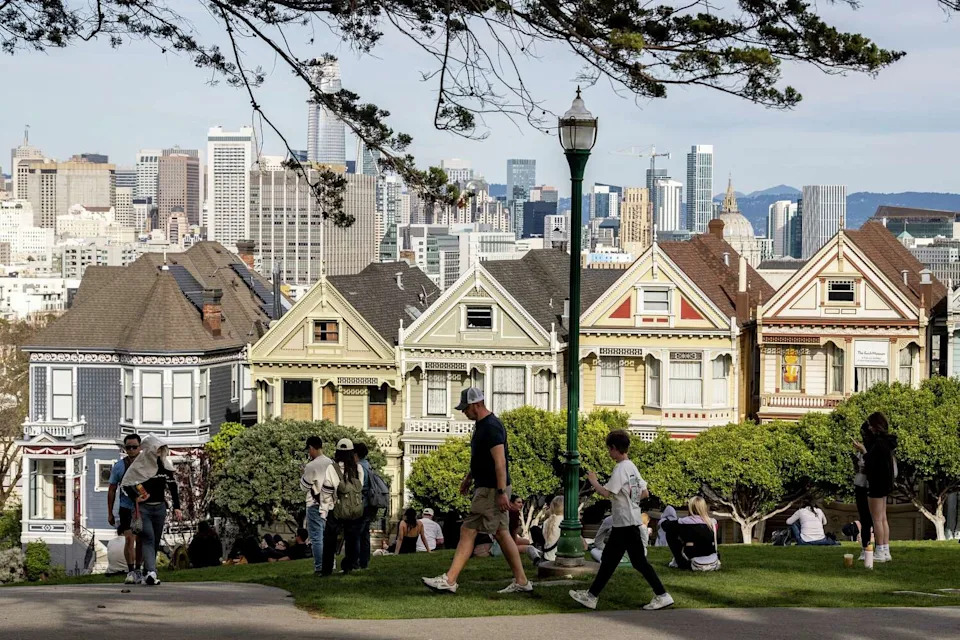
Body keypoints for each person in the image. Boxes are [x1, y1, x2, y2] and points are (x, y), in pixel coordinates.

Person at [423, 388, 532, 594]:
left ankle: (450, 580)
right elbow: (482, 459)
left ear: (476, 404)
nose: (464, 412)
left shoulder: (491, 427)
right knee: (501, 533)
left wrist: (500, 492)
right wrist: (469, 478)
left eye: (465, 408)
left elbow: (499, 462)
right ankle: (522, 581)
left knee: (468, 530)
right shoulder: (483, 425)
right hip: (489, 486)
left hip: (491, 489)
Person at [569, 430, 673, 611]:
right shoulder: (631, 466)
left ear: (615, 448)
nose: (609, 453)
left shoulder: (619, 469)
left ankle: (662, 595)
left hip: (623, 523)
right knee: (624, 561)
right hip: (631, 520)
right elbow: (645, 493)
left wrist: (593, 481)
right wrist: (630, 500)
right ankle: (592, 596)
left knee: (617, 561)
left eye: (609, 449)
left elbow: (606, 493)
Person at [120, 434, 182, 586]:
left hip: (160, 508)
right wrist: (136, 497)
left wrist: (177, 507)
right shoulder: (139, 467)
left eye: (161, 449)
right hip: (143, 509)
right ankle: (152, 572)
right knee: (148, 538)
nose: (159, 452)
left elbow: (173, 486)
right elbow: (126, 485)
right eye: (157, 449)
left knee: (155, 540)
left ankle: (149, 571)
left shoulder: (164, 466)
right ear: (148, 449)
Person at [320, 439, 366, 575]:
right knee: (352, 540)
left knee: (330, 541)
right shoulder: (359, 468)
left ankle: (327, 570)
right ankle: (348, 566)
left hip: (337, 509)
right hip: (355, 510)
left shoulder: (331, 468)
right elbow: (359, 488)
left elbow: (326, 492)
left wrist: (324, 510)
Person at [107, 434, 143, 584]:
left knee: (140, 540)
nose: (131, 450)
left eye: (134, 447)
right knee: (129, 539)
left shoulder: (145, 464)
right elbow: (111, 489)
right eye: (128, 447)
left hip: (142, 507)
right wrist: (110, 512)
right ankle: (130, 571)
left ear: (140, 448)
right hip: (125, 507)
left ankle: (138, 569)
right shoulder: (119, 466)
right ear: (125, 448)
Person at [863, 411, 897, 562]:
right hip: (885, 483)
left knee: (877, 519)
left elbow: (870, 463)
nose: (869, 428)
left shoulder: (878, 444)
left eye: (870, 425)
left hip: (876, 483)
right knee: (883, 518)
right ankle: (885, 550)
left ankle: (879, 551)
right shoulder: (887, 443)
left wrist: (863, 452)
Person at [300, 435, 333, 575]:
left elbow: (304, 486)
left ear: (312, 448)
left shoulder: (311, 465)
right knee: (328, 536)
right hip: (329, 504)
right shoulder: (331, 462)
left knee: (316, 537)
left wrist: (302, 474)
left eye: (309, 450)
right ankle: (331, 564)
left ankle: (319, 567)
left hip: (314, 504)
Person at [661, 497, 721, 570]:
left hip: (690, 562)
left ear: (690, 508)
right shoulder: (712, 523)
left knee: (670, 533)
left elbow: (665, 526)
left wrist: (664, 518)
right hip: (712, 560)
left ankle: (678, 560)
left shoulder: (683, 523)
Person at [851, 421, 874, 560]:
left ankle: (876, 549)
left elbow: (871, 465)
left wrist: (864, 452)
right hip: (860, 484)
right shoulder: (863, 449)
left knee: (874, 519)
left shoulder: (874, 448)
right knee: (865, 519)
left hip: (871, 486)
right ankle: (865, 548)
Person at [355, 442, 375, 570]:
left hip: (361, 503)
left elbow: (358, 487)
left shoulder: (359, 467)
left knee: (356, 533)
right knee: (365, 535)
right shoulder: (368, 465)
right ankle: (364, 562)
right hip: (369, 503)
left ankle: (355, 561)